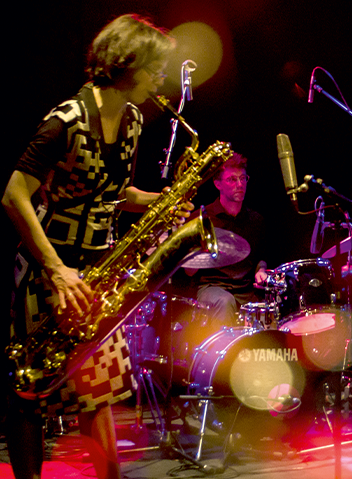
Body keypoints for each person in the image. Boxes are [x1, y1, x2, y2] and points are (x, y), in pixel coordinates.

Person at [1, 14, 190, 479]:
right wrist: (56, 270)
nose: (160, 79)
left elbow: (116, 193)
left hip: (97, 275)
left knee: (99, 393)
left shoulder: (132, 121)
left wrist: (163, 201)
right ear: (127, 63)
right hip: (49, 272)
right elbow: (13, 194)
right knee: (30, 394)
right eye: (154, 69)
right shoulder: (65, 121)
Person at [186, 152, 268, 331]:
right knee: (225, 301)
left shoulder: (255, 220)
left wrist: (261, 270)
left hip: (245, 291)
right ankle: (221, 350)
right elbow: (188, 271)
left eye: (243, 178)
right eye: (232, 179)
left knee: (270, 307)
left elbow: (260, 257)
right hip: (211, 288)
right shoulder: (201, 219)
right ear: (217, 184)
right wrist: (201, 250)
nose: (240, 184)